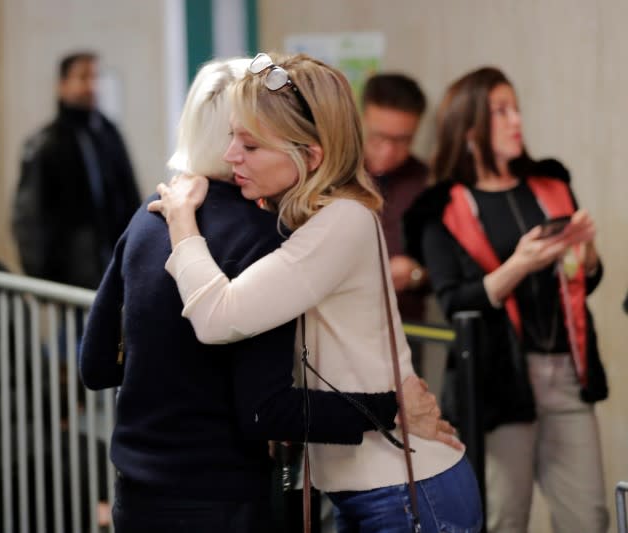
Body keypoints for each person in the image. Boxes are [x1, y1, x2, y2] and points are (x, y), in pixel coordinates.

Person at [78, 57, 453, 533]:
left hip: (136, 491)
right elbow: (264, 409)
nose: (236, 152)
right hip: (223, 498)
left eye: (250, 141)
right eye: (236, 137)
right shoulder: (261, 234)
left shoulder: (147, 219)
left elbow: (95, 365)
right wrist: (389, 408)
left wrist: (163, 372)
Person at [403, 66, 609, 533]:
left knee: (589, 517)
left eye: (516, 108)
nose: (517, 120)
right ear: (471, 127)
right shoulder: (440, 207)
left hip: (566, 375)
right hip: (497, 383)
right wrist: (519, 264)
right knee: (503, 518)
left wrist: (588, 256)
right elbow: (456, 302)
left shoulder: (550, 185)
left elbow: (583, 284)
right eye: (501, 111)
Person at [12, 51, 140, 289]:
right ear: (62, 85)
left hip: (114, 266)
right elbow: (30, 218)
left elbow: (130, 196)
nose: (91, 85)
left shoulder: (109, 133)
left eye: (95, 77)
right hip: (70, 276)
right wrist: (41, 276)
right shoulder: (45, 144)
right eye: (82, 77)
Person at [361, 73, 431, 372]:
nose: (388, 151)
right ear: (360, 120)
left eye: (402, 140)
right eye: (378, 137)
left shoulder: (427, 183)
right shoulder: (334, 174)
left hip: (404, 332)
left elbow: (449, 271)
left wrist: (415, 273)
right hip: (336, 328)